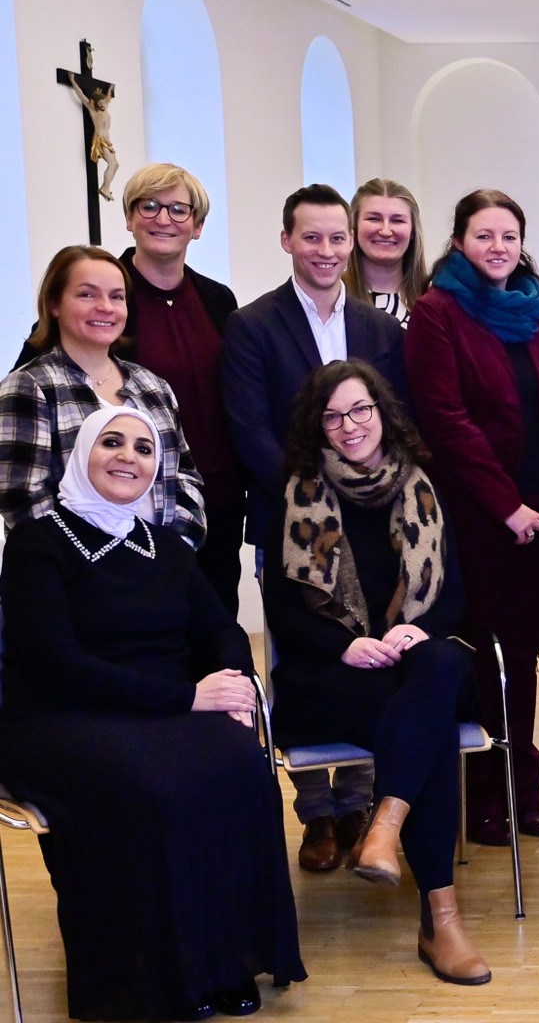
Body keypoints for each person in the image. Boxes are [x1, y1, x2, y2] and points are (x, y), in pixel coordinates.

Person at [0, 406, 304, 1021]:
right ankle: (152, 975)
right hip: (61, 716)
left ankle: (227, 961)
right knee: (155, 786)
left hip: (160, 711)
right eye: (111, 442)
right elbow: (57, 662)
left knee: (245, 769)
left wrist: (235, 684)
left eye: (143, 449)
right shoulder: (37, 543)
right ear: (81, 454)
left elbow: (221, 632)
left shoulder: (164, 545)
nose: (128, 457)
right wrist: (189, 699)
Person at [264, 361, 489, 984]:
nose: (350, 426)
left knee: (439, 662)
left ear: (382, 412)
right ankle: (440, 920)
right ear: (318, 427)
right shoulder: (295, 494)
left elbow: (453, 593)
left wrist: (420, 629)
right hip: (331, 675)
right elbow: (282, 610)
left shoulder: (422, 485)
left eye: (360, 409)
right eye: (333, 416)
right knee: (429, 727)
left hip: (413, 666)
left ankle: (385, 823)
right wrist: (345, 646)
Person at [224, 184, 410, 871]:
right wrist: (315, 496)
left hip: (372, 524)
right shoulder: (252, 325)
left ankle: (358, 799)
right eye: (312, 237)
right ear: (288, 241)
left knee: (368, 650)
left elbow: (392, 419)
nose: (327, 250)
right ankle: (314, 812)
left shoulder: (379, 328)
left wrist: (364, 497)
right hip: (289, 524)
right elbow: (249, 428)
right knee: (300, 654)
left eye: (337, 237)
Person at [406, 189, 539, 845]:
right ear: (459, 242)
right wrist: (508, 506)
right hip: (477, 517)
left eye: (509, 235)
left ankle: (523, 792)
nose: (498, 247)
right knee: (484, 657)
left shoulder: (534, 311)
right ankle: (483, 797)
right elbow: (445, 421)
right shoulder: (437, 312)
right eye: (484, 235)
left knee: (522, 653)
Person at [0, 247, 206, 542]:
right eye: (87, 294)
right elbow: (22, 500)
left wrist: (173, 551)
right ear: (54, 304)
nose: (106, 307)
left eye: (117, 297)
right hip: (69, 567)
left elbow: (184, 478)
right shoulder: (29, 386)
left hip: (157, 563)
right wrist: (101, 562)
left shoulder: (153, 386)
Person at [113, 165, 244, 608]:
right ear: (129, 218)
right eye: (148, 206)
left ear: (198, 226)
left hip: (217, 499)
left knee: (216, 617)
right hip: (134, 502)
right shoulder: (104, 295)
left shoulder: (218, 299)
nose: (163, 218)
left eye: (178, 209)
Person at [344, 177, 428, 327]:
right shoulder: (332, 297)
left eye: (397, 220)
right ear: (354, 227)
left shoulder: (436, 299)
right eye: (373, 219)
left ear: (413, 231)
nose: (385, 231)